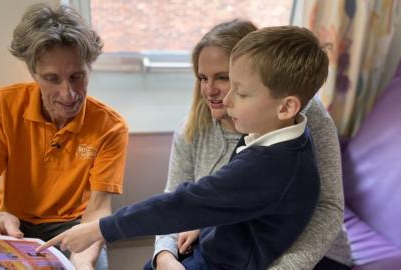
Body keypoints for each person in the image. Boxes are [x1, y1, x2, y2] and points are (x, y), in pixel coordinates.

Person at [39, 25, 331, 269]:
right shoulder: (279, 134)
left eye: (238, 91)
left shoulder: (270, 164)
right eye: (204, 78)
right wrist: (197, 229)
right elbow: (222, 201)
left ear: (286, 107)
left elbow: (187, 202)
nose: (226, 100)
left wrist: (100, 229)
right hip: (212, 244)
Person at [151, 20, 352, 270]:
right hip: (230, 245)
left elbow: (328, 207)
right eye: (202, 78)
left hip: (310, 254)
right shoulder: (192, 129)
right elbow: (174, 199)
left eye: (223, 78)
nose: (210, 90)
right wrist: (165, 257)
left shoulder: (305, 115)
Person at [0, 3, 128, 270]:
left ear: (90, 68)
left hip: (71, 228)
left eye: (77, 77)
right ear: (33, 73)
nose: (68, 94)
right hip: (12, 224)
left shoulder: (111, 126)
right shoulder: (2, 106)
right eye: (52, 79)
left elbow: (98, 210)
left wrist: (84, 261)